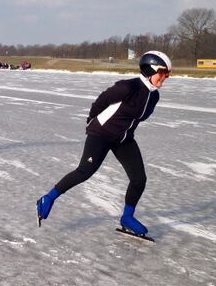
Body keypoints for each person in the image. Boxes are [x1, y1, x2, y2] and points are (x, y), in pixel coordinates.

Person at [35, 51, 172, 237]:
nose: (165, 77)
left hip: (124, 139)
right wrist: (91, 121)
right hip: (101, 134)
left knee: (139, 179)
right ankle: (48, 198)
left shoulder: (154, 97)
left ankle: (127, 217)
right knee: (85, 171)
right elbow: (102, 100)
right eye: (163, 72)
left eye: (167, 74)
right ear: (150, 69)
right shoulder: (128, 87)